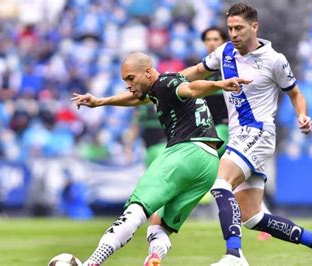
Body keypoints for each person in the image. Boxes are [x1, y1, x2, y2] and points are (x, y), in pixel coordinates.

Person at [180, 3, 312, 266]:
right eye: (230, 28)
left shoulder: (275, 60)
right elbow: (196, 72)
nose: (233, 34)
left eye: (239, 28)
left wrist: (302, 114)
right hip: (238, 136)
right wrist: (167, 81)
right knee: (253, 217)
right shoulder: (225, 52)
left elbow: (295, 93)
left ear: (254, 26)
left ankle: (235, 256)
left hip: (258, 133)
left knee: (220, 183)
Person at [70, 52, 251, 266]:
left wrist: (220, 84)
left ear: (148, 72)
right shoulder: (159, 89)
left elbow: (190, 89)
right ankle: (154, 258)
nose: (128, 84)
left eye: (130, 78)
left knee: (136, 210)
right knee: (159, 224)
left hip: (186, 152)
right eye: (125, 80)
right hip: (208, 163)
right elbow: (137, 99)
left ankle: (92, 262)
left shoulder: (166, 83)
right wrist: (101, 101)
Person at [201, 26, 272, 240]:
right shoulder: (207, 67)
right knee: (235, 181)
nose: (212, 43)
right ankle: (259, 215)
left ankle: (234, 245)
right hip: (214, 129)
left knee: (219, 177)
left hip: (227, 130)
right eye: (208, 40)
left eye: (216, 39)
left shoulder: (233, 65)